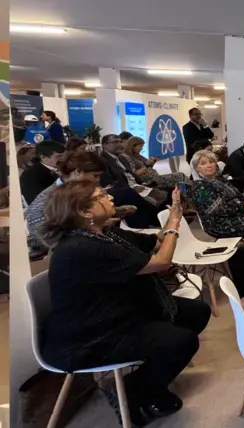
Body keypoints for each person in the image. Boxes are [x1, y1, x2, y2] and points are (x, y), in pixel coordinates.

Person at [38, 181, 210, 425]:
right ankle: (132, 390)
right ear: (85, 212)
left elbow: (156, 243)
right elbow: (161, 263)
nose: (109, 197)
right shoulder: (82, 248)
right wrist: (173, 224)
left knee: (196, 313)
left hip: (116, 315)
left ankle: (152, 378)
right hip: (88, 337)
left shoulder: (104, 234)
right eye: (100, 196)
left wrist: (173, 216)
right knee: (181, 341)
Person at [26, 150, 109, 254]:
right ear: (77, 171)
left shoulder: (76, 192)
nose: (98, 180)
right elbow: (41, 240)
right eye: (95, 176)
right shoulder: (47, 199)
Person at [184, 150, 244, 239]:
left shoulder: (220, 179)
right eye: (203, 163)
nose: (209, 165)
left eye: (211, 162)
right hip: (219, 224)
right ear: (197, 168)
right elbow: (220, 210)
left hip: (235, 213)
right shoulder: (199, 187)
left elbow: (239, 195)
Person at [100, 134, 168, 207]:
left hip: (138, 186)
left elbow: (132, 174)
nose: (119, 144)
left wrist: (142, 183)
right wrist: (133, 187)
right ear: (105, 145)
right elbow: (108, 184)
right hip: (125, 191)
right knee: (153, 202)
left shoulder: (122, 158)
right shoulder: (102, 161)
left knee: (169, 193)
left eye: (120, 142)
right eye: (115, 142)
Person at [122, 136, 187, 189]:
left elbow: (147, 166)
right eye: (140, 147)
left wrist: (151, 163)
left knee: (180, 178)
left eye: (142, 147)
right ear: (132, 146)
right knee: (180, 176)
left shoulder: (137, 155)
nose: (141, 149)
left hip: (154, 177)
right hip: (150, 181)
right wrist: (146, 166)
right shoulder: (127, 157)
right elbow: (133, 173)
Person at [21, 139, 65, 204]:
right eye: (59, 156)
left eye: (64, 155)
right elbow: (35, 201)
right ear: (44, 157)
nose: (63, 159)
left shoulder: (63, 169)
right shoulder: (31, 175)